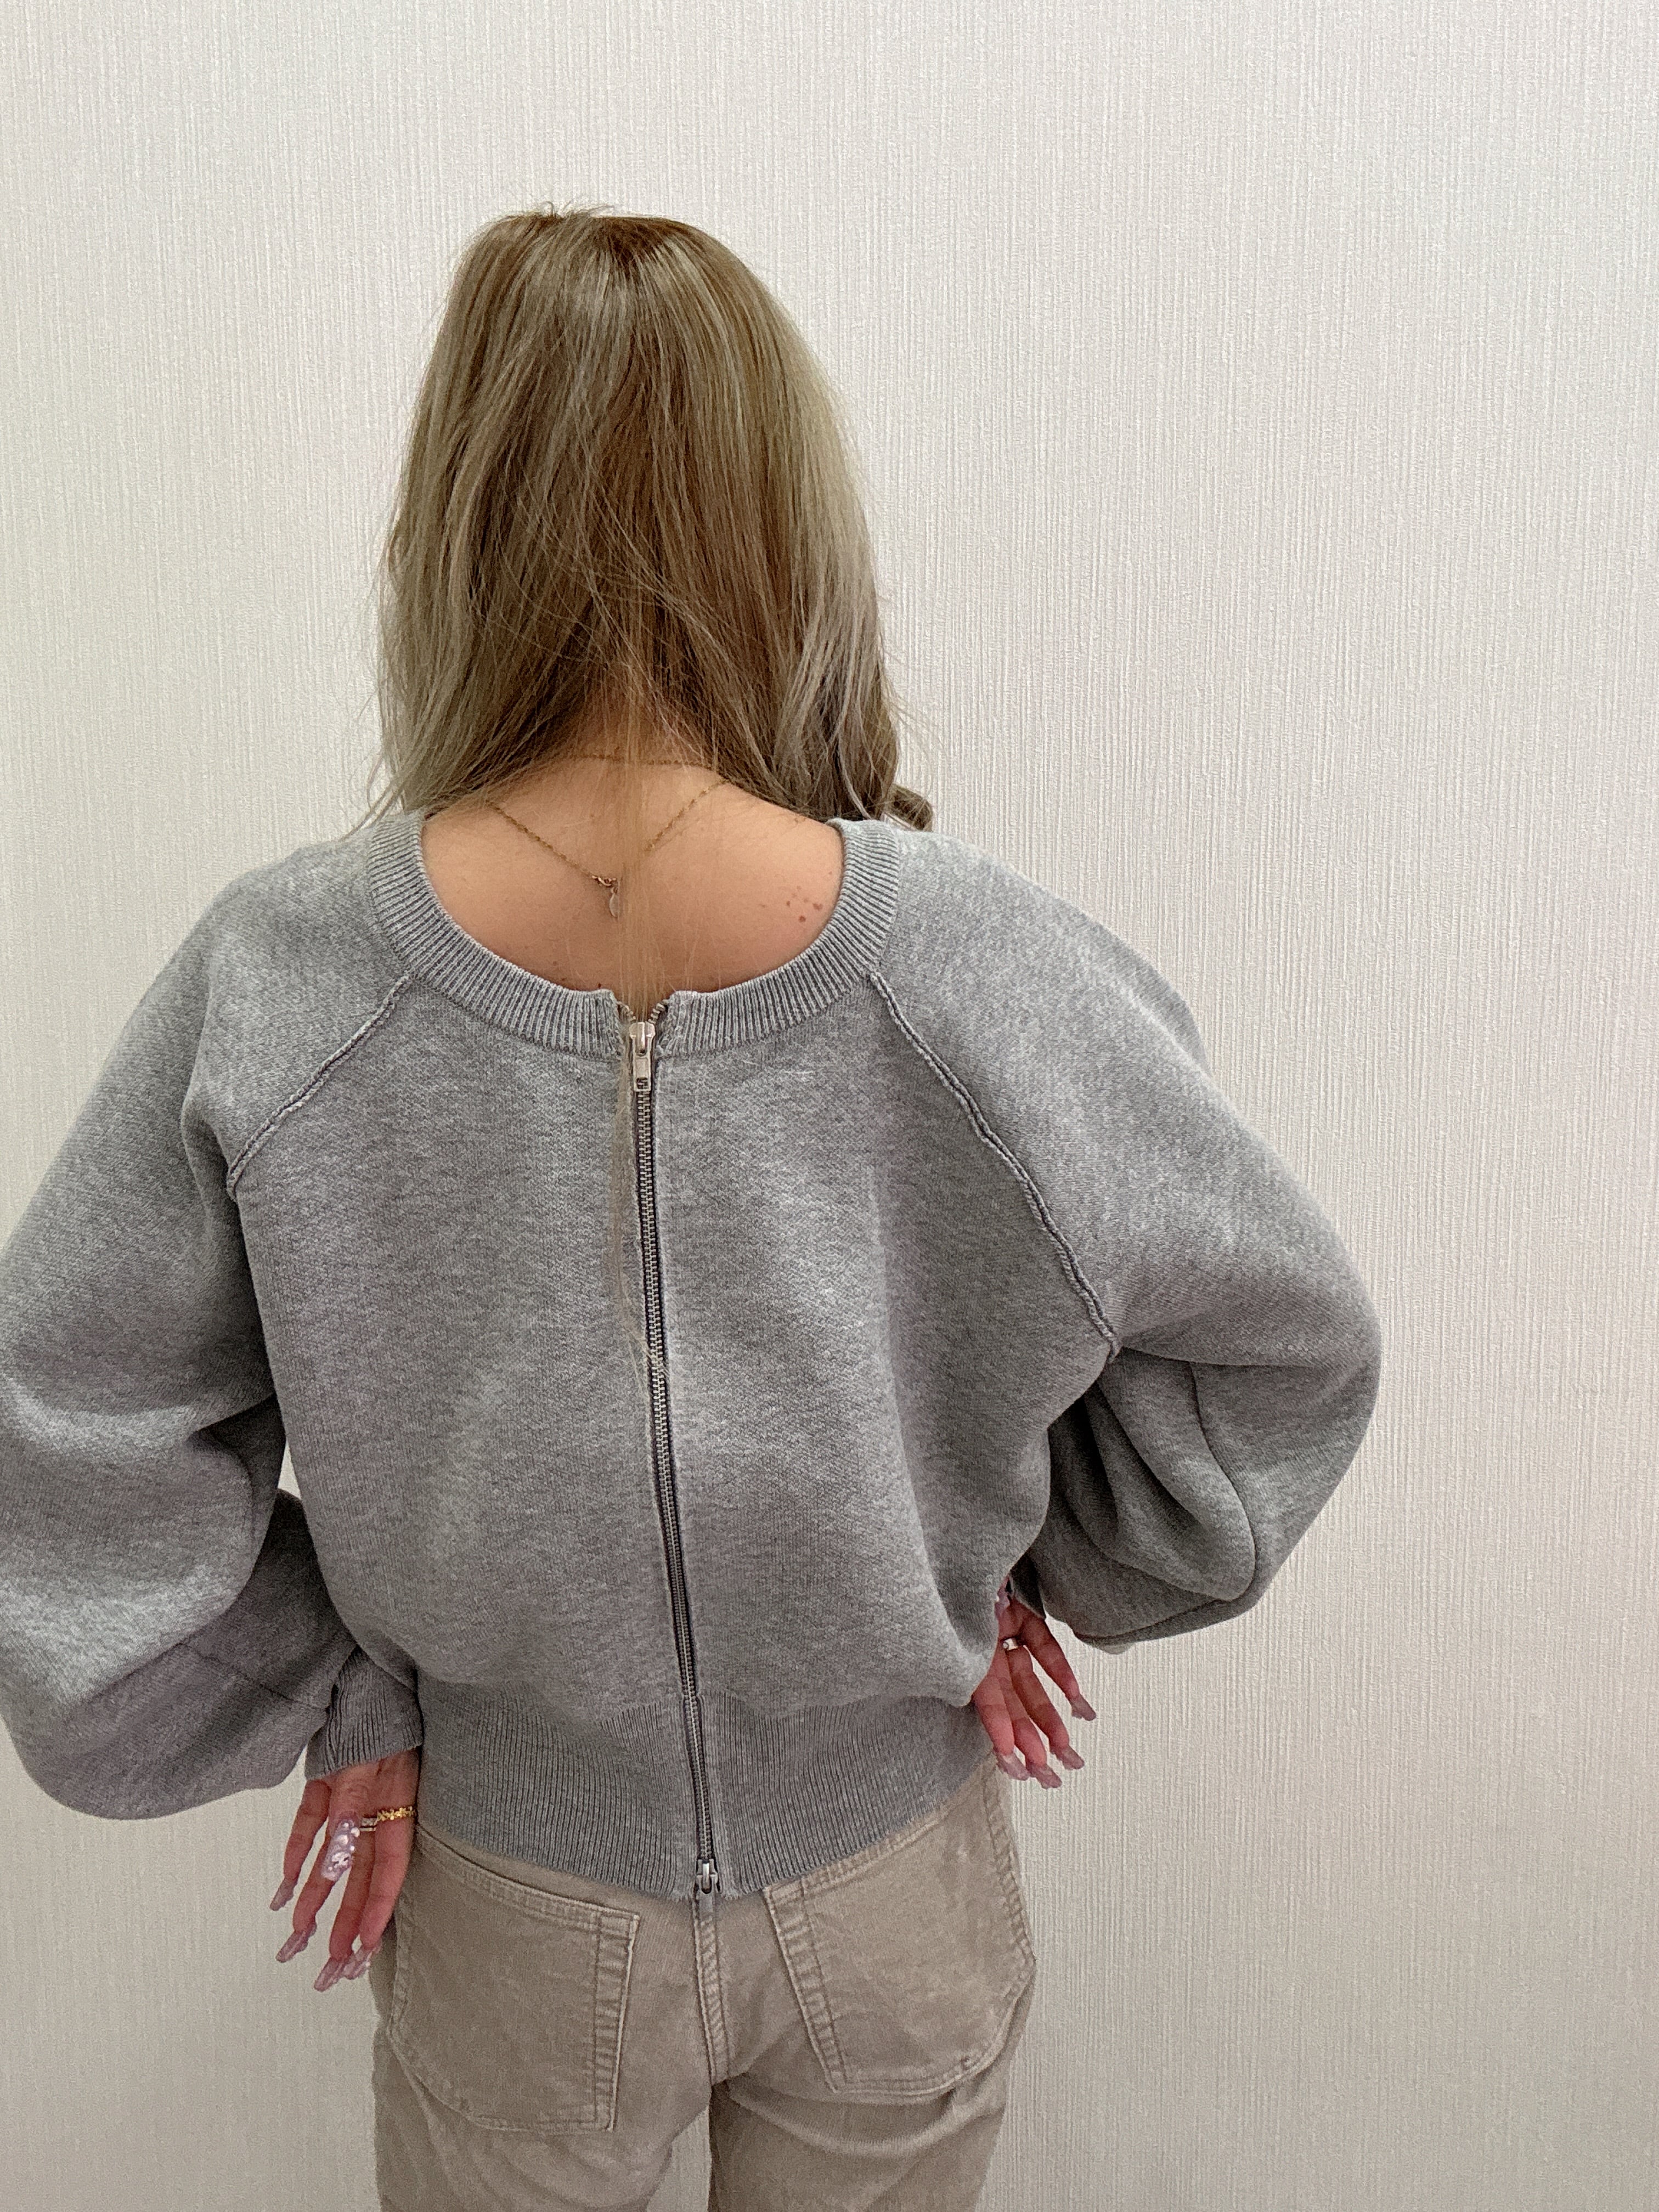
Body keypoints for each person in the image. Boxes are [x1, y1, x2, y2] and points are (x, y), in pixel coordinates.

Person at [0, 207, 1383, 2211]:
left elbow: (62, 1436)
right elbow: (1279, 1354)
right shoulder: (978, 968)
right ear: (786, 531)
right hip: (892, 1894)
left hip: (516, 1910)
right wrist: (1004, 1567)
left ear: (456, 520)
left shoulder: (288, 983)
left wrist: (327, 1686)